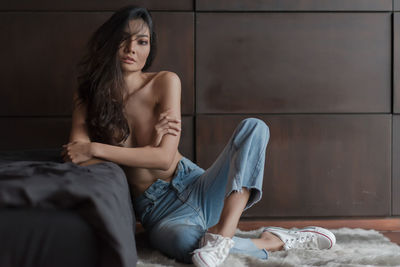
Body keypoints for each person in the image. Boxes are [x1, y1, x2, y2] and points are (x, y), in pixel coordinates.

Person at [61, 5, 336, 267]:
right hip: (158, 211)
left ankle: (223, 235)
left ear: (150, 47)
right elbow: (78, 155)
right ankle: (272, 241)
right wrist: (140, 148)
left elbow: (163, 157)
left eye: (142, 41)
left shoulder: (164, 82)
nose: (131, 48)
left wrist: (97, 148)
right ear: (109, 42)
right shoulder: (88, 94)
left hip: (197, 184)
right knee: (187, 246)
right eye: (123, 39)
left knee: (255, 127)